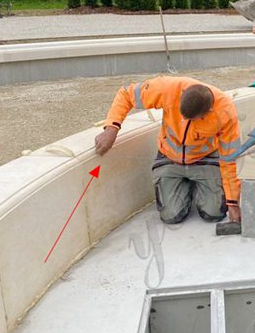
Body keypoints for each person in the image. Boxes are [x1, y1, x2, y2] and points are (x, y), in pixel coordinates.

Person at [95, 75, 242, 230]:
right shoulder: (168, 88)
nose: (184, 122)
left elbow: (229, 159)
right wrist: (111, 128)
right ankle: (185, 185)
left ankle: (199, 185)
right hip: (169, 158)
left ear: (209, 111)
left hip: (205, 159)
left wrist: (233, 203)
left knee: (214, 214)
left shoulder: (225, 112)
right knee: (171, 216)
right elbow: (126, 94)